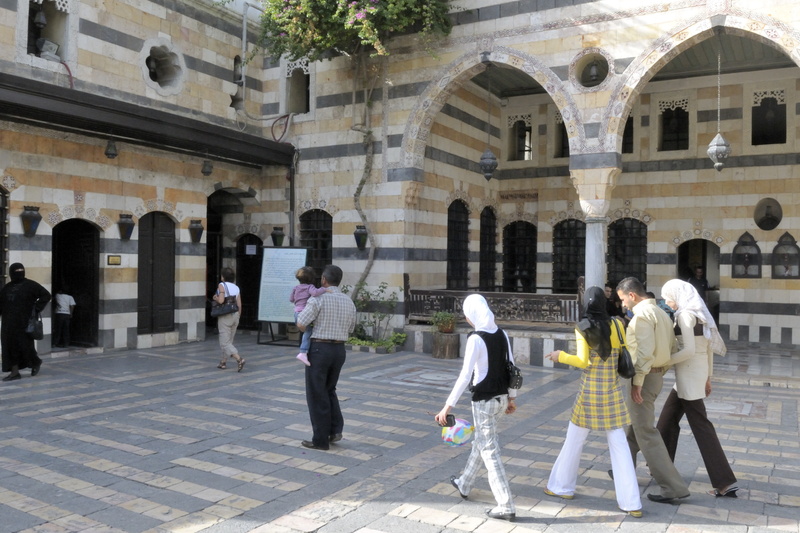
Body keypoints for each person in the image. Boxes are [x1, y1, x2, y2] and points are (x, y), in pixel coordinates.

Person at [544, 287, 642, 518]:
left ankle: (562, 487)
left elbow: (582, 361)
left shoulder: (583, 327)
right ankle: (632, 503)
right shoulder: (618, 325)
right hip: (611, 392)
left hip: (589, 394)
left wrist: (560, 356)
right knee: (620, 447)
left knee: (574, 441)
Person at [435, 294, 517, 522]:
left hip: (484, 401)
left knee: (490, 451)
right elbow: (513, 367)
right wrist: (512, 398)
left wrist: (446, 407)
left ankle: (506, 504)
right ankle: (464, 483)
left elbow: (464, 376)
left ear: (472, 314)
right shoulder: (502, 334)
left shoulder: (475, 339)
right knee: (482, 441)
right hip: (500, 399)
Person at [658, 279, 738, 497]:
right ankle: (661, 469)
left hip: (688, 375)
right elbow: (709, 348)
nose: (666, 301)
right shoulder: (700, 313)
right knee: (666, 421)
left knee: (702, 427)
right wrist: (708, 377)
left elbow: (689, 351)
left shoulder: (685, 315)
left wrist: (663, 362)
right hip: (695, 375)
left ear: (676, 294)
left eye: (668, 296)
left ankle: (724, 482)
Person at [616, 277, 690, 503]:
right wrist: (658, 371)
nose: (623, 305)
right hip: (655, 375)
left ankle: (673, 487)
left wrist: (637, 383)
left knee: (645, 432)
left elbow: (644, 353)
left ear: (632, 295)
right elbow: (671, 348)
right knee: (634, 426)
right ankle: (622, 469)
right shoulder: (661, 313)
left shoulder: (642, 317)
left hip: (644, 378)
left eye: (622, 300)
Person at [296, 265, 357, 451]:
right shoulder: (348, 301)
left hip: (320, 348)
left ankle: (320, 440)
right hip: (339, 350)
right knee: (330, 389)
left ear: (323, 279)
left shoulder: (318, 299)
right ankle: (335, 430)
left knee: (317, 393)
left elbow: (301, 323)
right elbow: (351, 328)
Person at [0, 263, 51, 381]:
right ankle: (14, 372)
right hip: (8, 324)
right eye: (16, 271)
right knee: (9, 347)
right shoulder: (6, 288)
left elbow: (46, 295)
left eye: (20, 270)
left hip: (24, 323)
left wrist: (36, 308)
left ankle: (35, 362)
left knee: (25, 346)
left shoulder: (31, 285)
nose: (18, 273)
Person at [289, 266, 329, 366]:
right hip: (304, 313)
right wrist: (324, 289)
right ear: (312, 278)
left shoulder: (296, 288)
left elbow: (291, 299)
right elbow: (315, 293)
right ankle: (303, 352)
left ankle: (304, 351)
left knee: (306, 331)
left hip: (296, 313)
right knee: (308, 332)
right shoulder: (309, 287)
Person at [214, 267, 245, 372]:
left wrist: (215, 298)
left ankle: (239, 359)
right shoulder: (236, 287)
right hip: (235, 315)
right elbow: (239, 304)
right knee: (229, 340)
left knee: (224, 342)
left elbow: (221, 300)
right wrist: (238, 317)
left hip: (225, 316)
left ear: (223, 277)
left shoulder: (221, 285)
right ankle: (223, 362)